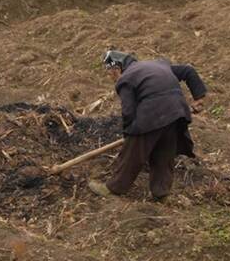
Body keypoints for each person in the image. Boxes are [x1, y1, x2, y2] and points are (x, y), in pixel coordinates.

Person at [88, 50, 207, 200]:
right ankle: (161, 193)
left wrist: (130, 135)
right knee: (164, 153)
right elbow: (188, 70)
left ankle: (113, 188)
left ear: (117, 68)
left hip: (152, 113)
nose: (110, 77)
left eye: (109, 73)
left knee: (132, 154)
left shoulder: (126, 79)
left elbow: (128, 111)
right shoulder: (159, 64)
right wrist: (199, 98)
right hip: (177, 113)